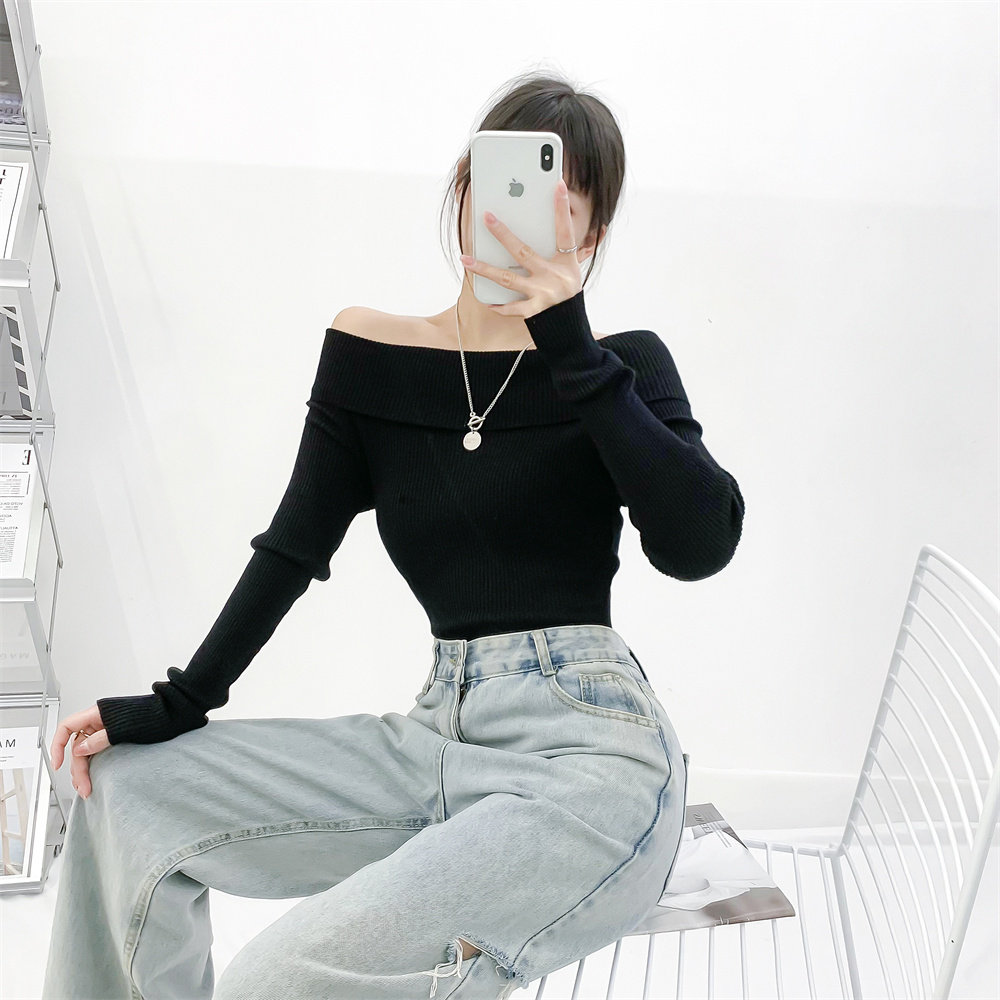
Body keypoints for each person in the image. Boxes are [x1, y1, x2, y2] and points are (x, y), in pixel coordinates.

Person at [42, 70, 744, 1000]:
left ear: (592, 237)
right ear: (464, 189)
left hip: (594, 758)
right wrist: (179, 701)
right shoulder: (369, 356)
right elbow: (293, 547)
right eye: (506, 188)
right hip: (433, 738)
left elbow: (699, 545)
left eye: (561, 204)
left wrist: (571, 346)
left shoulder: (621, 368)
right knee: (125, 796)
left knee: (275, 980)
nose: (522, 219)